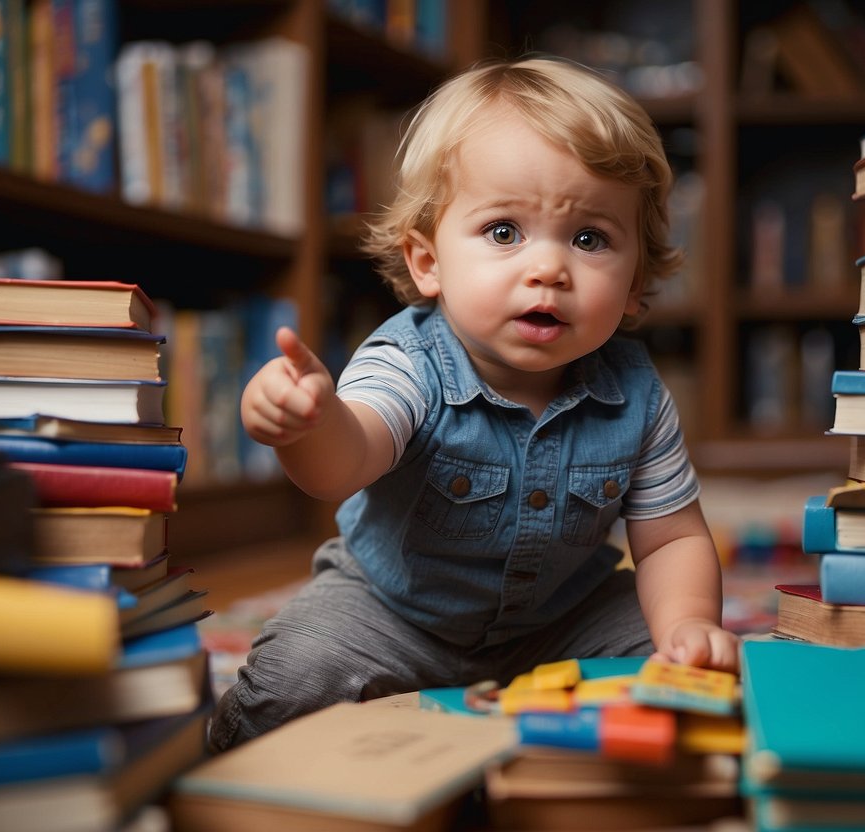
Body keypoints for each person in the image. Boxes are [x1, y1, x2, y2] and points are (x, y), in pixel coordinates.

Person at [210, 55, 739, 751]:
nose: (547, 268)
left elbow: (670, 537)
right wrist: (308, 424)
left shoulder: (637, 393)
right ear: (428, 262)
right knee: (294, 676)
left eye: (589, 239)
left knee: (694, 682)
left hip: (561, 621)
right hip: (391, 612)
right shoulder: (408, 361)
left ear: (637, 280)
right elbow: (347, 459)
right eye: (503, 232)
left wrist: (687, 627)